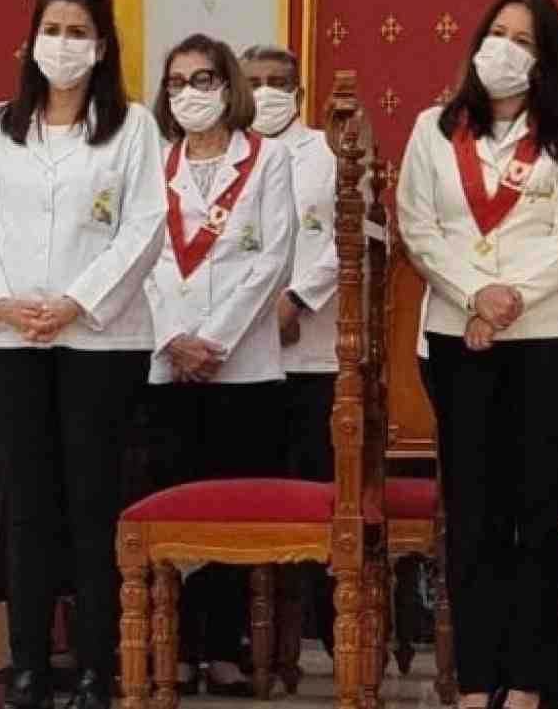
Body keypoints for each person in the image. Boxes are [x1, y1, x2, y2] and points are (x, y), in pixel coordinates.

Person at [398, 0, 558, 709]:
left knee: (538, 505)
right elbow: (419, 226)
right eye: (497, 33)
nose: (505, 49)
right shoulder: (432, 130)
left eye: (524, 40)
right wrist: (473, 294)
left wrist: (509, 297)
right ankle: (474, 680)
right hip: (457, 334)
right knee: (472, 511)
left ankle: (529, 680)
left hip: (554, 340)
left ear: (547, 56)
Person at [0, 0, 166, 709]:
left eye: (78, 32)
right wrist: (4, 301)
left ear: (100, 47)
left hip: (98, 343)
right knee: (28, 503)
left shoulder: (131, 126)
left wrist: (74, 302)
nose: (63, 45)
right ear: (31, 40)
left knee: (90, 501)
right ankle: (28, 665)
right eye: (52, 29)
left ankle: (96, 669)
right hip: (7, 340)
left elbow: (143, 228)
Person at [147, 34, 296, 695]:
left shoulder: (266, 160)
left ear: (227, 85)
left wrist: (214, 340)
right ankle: (175, 645)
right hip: (167, 363)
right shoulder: (152, 162)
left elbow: (274, 259)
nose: (189, 92)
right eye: (176, 81)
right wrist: (174, 337)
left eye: (202, 79)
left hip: (242, 365)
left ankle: (225, 645)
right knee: (173, 505)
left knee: (232, 512)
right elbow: (141, 258)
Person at [241, 43, 341, 663]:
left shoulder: (328, 155)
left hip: (315, 360)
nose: (266, 93)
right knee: (247, 501)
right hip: (239, 361)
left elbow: (357, 235)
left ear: (300, 93)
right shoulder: (221, 155)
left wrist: (296, 300)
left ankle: (333, 635)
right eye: (253, 81)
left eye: (279, 82)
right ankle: (248, 644)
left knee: (317, 502)